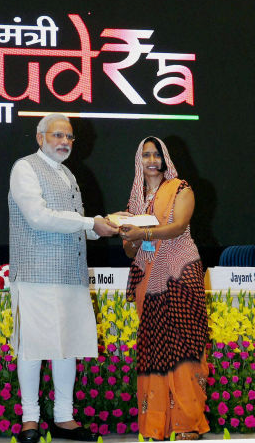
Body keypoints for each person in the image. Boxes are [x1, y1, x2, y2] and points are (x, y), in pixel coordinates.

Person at [8, 113, 119, 442]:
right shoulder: (25, 168)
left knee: (66, 345)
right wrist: (90, 223)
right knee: (32, 347)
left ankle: (63, 417)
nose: (64, 142)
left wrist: (106, 225)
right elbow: (38, 217)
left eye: (69, 137)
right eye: (57, 135)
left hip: (70, 271)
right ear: (39, 137)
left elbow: (75, 223)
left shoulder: (68, 173)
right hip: (36, 271)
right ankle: (30, 418)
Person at [119, 137, 209, 441]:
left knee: (184, 346)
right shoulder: (134, 201)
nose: (152, 160)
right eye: (146, 155)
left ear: (165, 158)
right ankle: (157, 424)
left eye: (157, 154)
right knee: (155, 350)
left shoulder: (181, 189)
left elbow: (178, 226)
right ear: (139, 160)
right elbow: (129, 250)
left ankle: (187, 423)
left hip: (180, 273)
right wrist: (131, 239)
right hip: (148, 279)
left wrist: (142, 232)